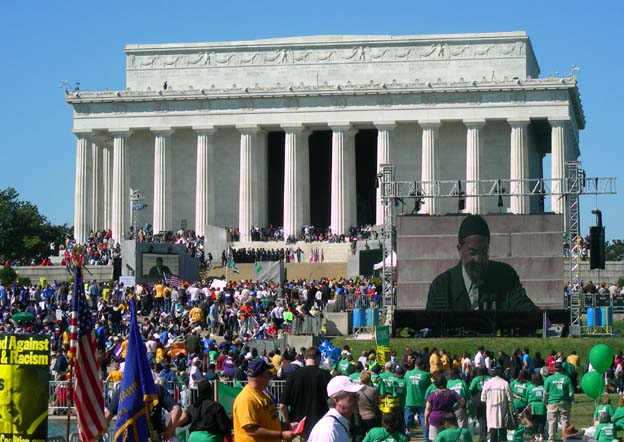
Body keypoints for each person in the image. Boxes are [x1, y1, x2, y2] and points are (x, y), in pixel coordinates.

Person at [426, 214, 537, 310]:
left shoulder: (506, 277)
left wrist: (548, 325)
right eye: (473, 252)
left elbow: (527, 309)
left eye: (484, 251)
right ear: (459, 249)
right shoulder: (442, 286)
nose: (479, 259)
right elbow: (434, 325)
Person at [233, 358, 295, 441]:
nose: (270, 376)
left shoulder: (263, 395)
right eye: (268, 373)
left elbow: (269, 422)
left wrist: (287, 426)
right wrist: (281, 435)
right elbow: (251, 430)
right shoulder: (246, 399)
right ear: (262, 376)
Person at [279, 346, 333, 439]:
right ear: (319, 359)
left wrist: (288, 423)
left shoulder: (293, 376)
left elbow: (282, 406)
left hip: (299, 429)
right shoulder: (326, 376)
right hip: (321, 429)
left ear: (305, 358)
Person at [308, 375, 363, 442]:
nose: (357, 399)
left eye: (357, 395)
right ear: (336, 400)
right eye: (354, 396)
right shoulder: (329, 430)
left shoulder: (339, 422)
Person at [0, 366, 48, 437]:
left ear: (34, 392)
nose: (8, 401)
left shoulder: (40, 429)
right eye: (7, 393)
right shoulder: (28, 428)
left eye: (15, 391)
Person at [424, 374, 464, 441]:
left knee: (435, 439)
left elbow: (427, 409)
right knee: (449, 439)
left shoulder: (432, 395)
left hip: (435, 419)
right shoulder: (452, 393)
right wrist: (455, 408)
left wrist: (426, 420)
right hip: (449, 418)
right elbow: (462, 401)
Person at [543, 361, 574, 442]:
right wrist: (570, 401)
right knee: (564, 420)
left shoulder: (549, 379)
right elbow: (571, 393)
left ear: (554, 369)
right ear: (562, 369)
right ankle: (564, 438)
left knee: (552, 421)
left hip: (552, 402)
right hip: (564, 402)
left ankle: (551, 438)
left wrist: (545, 402)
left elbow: (545, 392)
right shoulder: (566, 378)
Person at [480, 367, 513, 442]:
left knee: (492, 428)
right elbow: (510, 398)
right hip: (502, 408)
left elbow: (483, 398)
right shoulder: (505, 383)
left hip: (490, 408)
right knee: (502, 427)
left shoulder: (487, 384)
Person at [404, 357, 431, 440]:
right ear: (423, 365)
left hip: (410, 401)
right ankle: (426, 439)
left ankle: (405, 435)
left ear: (415, 364)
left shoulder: (407, 374)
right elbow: (429, 388)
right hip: (422, 402)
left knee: (407, 421)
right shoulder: (426, 375)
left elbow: (405, 385)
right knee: (424, 422)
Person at [357, 371, 381, 435]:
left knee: (360, 437)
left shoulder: (356, 391)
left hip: (360, 417)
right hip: (371, 416)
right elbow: (379, 402)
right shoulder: (373, 390)